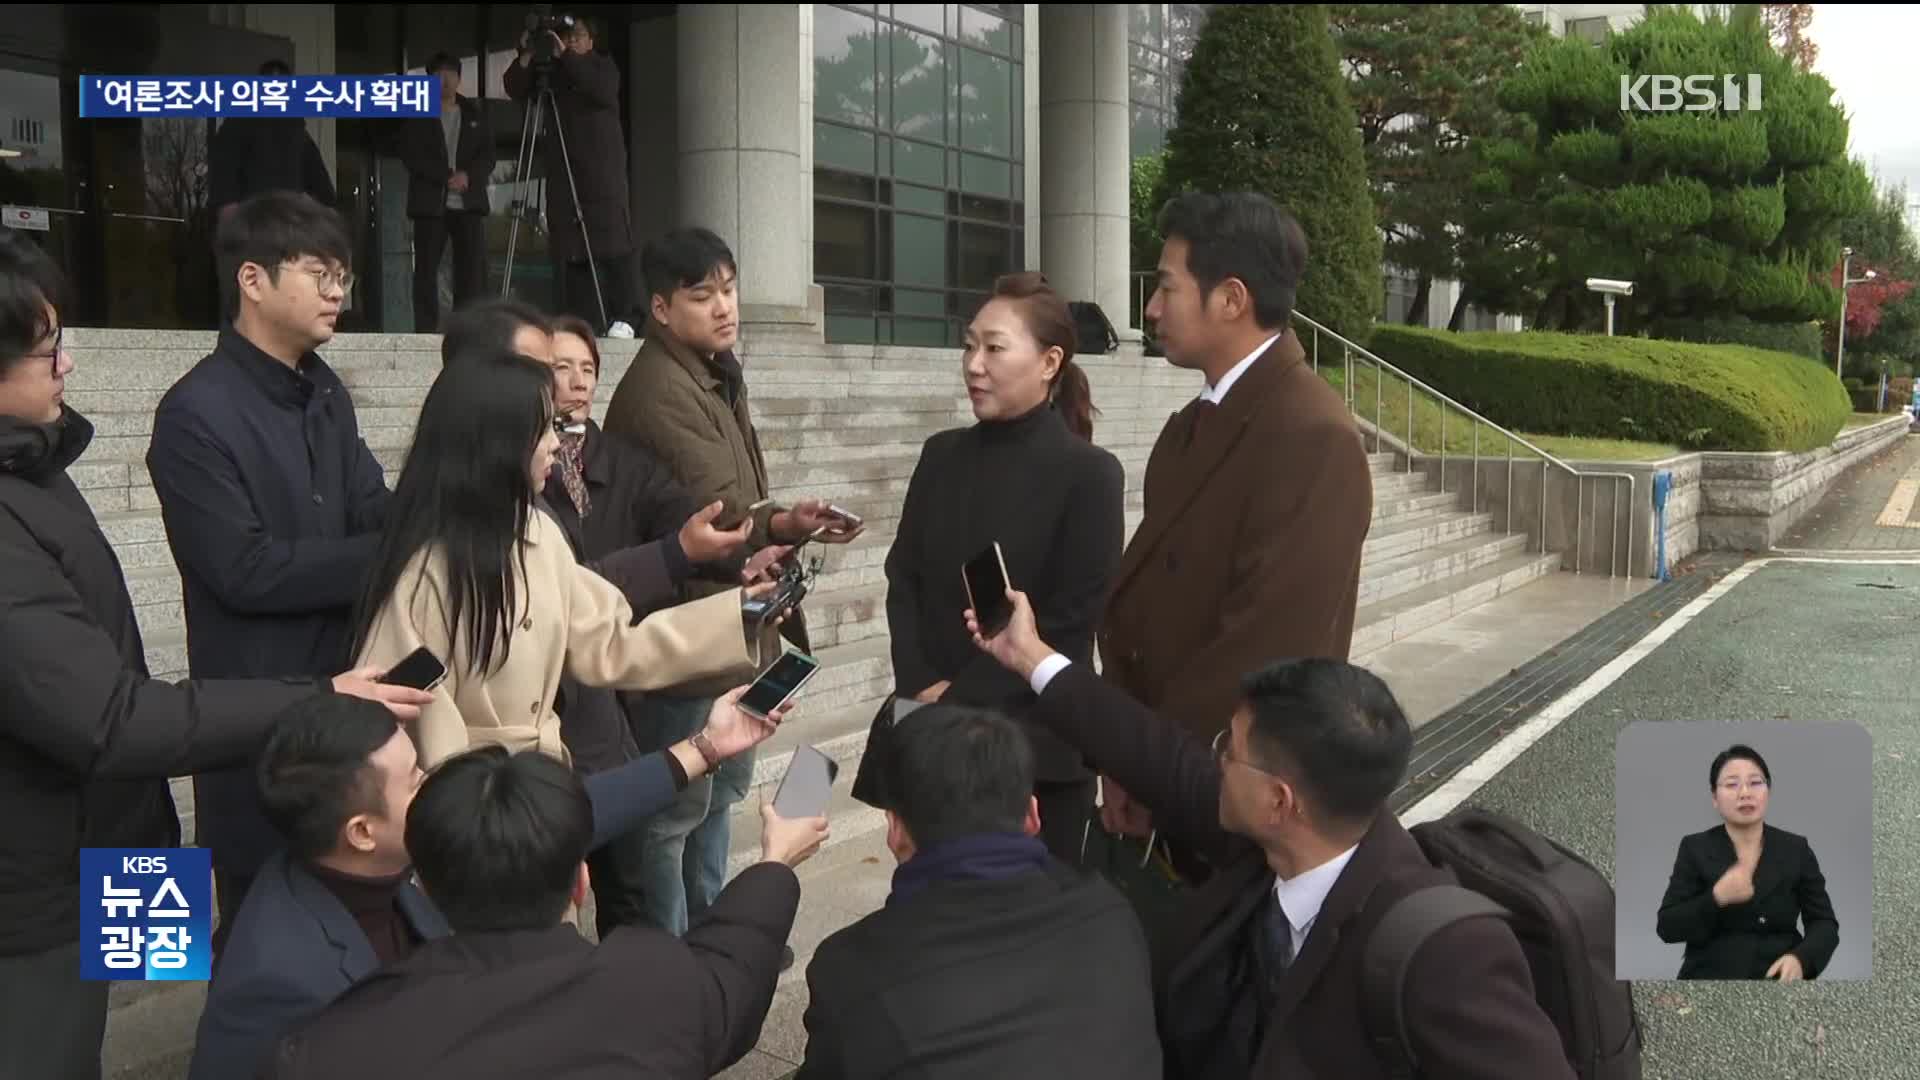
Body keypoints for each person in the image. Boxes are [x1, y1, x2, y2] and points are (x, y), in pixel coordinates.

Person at [0, 230, 431, 1080]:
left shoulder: (38, 467)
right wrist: (316, 692)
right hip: (55, 869)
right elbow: (113, 709)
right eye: (49, 349)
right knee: (62, 1047)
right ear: (252, 279)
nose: (67, 368)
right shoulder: (194, 412)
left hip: (134, 821)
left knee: (162, 1005)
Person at [965, 589, 1574, 1079]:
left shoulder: (1443, 954)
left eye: (1230, 752)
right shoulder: (1274, 842)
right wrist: (1028, 654)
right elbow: (1154, 754)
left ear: (1281, 801)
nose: (1216, 760)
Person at [190, 681, 788, 1080]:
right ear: (361, 831)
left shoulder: (386, 859)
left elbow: (552, 817)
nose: (434, 783)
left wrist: (709, 746)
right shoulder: (276, 981)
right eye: (416, 776)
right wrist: (776, 862)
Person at [147, 191, 395, 954]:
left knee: (347, 930)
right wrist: (386, 555)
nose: (337, 293)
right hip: (255, 717)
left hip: (346, 704)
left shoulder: (326, 392)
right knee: (260, 934)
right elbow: (244, 570)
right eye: (319, 272)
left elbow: (372, 506)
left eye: (344, 275)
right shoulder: (195, 412)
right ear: (252, 280)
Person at [264, 745, 827, 1079]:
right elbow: (734, 961)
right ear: (582, 882)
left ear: (427, 885)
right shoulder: (658, 987)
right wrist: (775, 859)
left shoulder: (334, 1046)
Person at [601, 226, 864, 937]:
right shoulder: (658, 389)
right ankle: (673, 952)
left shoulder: (710, 367)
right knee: (675, 810)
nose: (724, 307)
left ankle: (709, 926)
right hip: (686, 633)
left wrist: (785, 518)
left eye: (729, 288)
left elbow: (741, 497)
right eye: (702, 294)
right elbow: (715, 507)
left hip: (730, 619)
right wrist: (778, 525)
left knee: (722, 790)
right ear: (659, 309)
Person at [1098, 191, 1374, 861]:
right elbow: (1143, 604)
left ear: (1231, 299)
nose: (1151, 308)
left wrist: (1143, 757)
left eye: (1166, 287)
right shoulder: (1190, 428)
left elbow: (1264, 651)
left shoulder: (1313, 436)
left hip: (1237, 802)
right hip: (1170, 778)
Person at [349, 344, 764, 769]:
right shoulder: (426, 573)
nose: (554, 444)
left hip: (545, 790)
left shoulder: (539, 534)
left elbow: (612, 643)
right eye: (542, 429)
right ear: (498, 441)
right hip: (470, 807)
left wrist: (743, 614)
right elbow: (401, 721)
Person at [546, 314, 795, 936]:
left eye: (587, 367)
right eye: (559, 368)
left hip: (613, 686)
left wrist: (742, 551)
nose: (577, 382)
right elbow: (570, 597)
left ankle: (672, 959)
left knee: (638, 869)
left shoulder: (619, 460)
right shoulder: (517, 485)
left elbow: (682, 511)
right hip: (563, 703)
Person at [877, 271, 1123, 859]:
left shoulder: (1088, 475)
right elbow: (902, 580)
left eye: (994, 348)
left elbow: (1067, 623)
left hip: (1032, 751)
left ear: (1049, 362)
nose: (974, 364)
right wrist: (921, 687)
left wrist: (954, 700)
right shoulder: (940, 456)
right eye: (968, 345)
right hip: (930, 738)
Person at [797, 704, 1161, 1080]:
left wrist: (775, 863)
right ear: (1033, 816)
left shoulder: (849, 971)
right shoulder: (1111, 914)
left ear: (896, 831)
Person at [1656, 743, 1839, 981]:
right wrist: (1717, 897)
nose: (1745, 793)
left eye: (1755, 783)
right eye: (1732, 784)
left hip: (1779, 977)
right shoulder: (1695, 848)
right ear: (1714, 798)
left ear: (1768, 791)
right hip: (1711, 976)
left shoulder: (1796, 848)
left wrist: (1801, 959)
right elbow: (1667, 927)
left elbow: (1824, 922)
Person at [503, 13, 631, 331]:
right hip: (564, 172)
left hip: (600, 173)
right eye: (566, 36)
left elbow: (598, 88)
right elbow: (515, 87)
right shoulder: (556, 73)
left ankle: (628, 317)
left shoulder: (602, 66)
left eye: (577, 36)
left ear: (591, 40)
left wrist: (567, 56)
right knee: (571, 250)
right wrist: (528, 54)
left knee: (612, 244)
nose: (571, 41)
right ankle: (579, 322)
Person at [400, 52, 494, 331]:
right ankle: (425, 330)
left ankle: (466, 330)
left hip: (469, 203)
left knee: (470, 272)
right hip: (431, 203)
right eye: (438, 75)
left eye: (450, 74)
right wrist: (445, 177)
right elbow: (410, 155)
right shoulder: (416, 115)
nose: (444, 80)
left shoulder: (475, 114)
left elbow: (488, 155)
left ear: (459, 78)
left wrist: (469, 176)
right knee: (426, 271)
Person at [208, 60, 337, 221]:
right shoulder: (237, 124)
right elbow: (223, 173)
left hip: (289, 224)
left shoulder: (299, 133)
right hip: (252, 223)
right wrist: (228, 211)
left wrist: (316, 209)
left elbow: (324, 192)